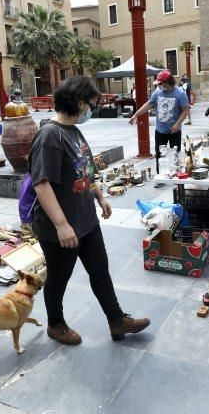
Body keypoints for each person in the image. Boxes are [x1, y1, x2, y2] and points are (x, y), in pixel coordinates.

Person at [28, 75, 150, 345]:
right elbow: (41, 183)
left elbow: (84, 169)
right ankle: (55, 324)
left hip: (85, 219)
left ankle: (117, 320)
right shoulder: (49, 135)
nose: (91, 111)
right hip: (59, 227)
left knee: (100, 271)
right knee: (59, 277)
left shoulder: (73, 130)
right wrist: (61, 224)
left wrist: (99, 196)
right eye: (91, 105)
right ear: (78, 102)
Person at [127, 70, 190, 173]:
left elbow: (185, 110)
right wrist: (136, 115)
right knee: (160, 155)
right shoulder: (157, 92)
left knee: (176, 154)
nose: (159, 85)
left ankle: (177, 176)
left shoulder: (180, 93)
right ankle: (161, 176)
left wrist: (177, 124)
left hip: (175, 130)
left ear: (167, 82)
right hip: (160, 131)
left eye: (160, 83)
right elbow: (148, 105)